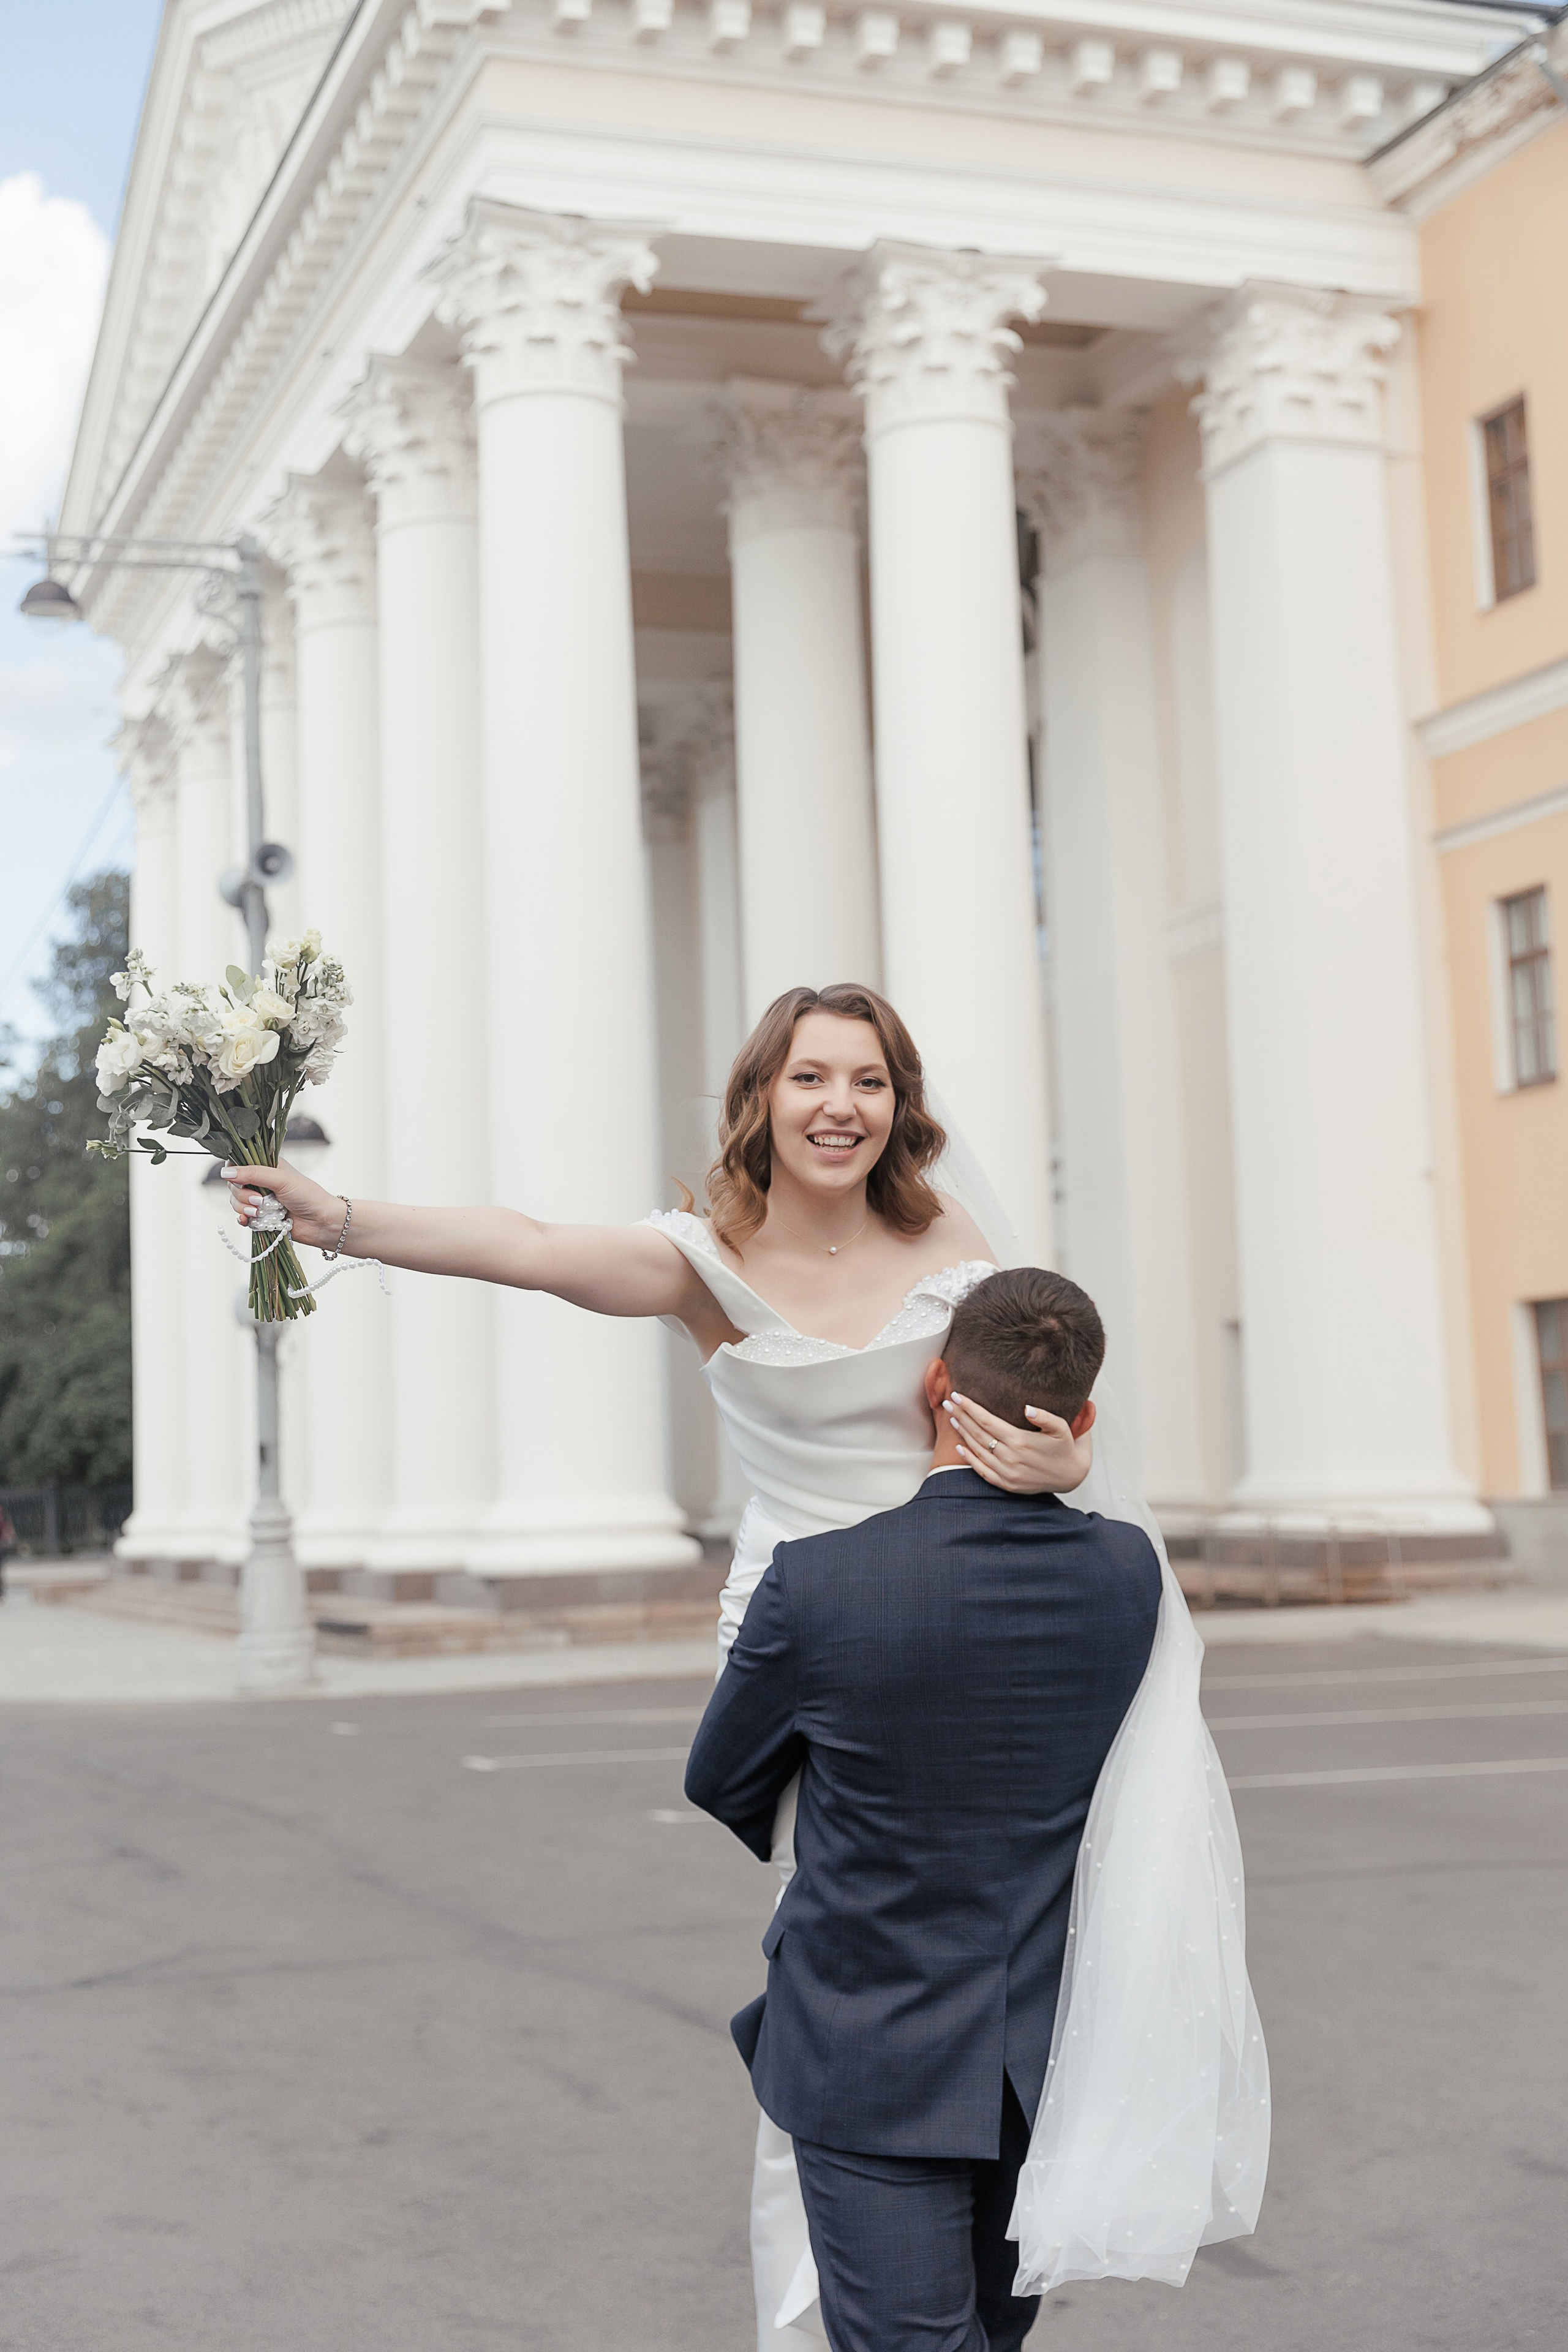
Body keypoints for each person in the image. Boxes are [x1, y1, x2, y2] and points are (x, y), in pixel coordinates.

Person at [224, 981, 1093, 2343]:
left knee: (997, 1903)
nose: (839, 1107)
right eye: (810, 1079)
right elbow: (519, 1244)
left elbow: (1034, 1399)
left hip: (962, 1615)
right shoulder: (703, 1261)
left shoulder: (957, 1249)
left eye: (866, 1083)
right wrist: (338, 1217)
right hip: (810, 1639)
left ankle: (975, 2172)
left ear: (898, 1107)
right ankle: (848, 2235)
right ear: (760, 1098)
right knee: (858, 1919)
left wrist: (1068, 1459)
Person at [685, 1268, 1161, 2352]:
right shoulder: (1129, 1572)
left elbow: (722, 1781)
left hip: (869, 2048)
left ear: (935, 1384)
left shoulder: (817, 1582)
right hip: (1043, 2058)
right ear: (1080, 1419)